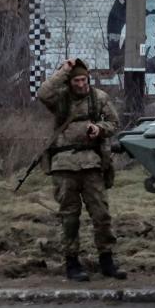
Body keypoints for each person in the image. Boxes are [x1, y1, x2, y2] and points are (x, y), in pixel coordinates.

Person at [36, 59, 126, 282]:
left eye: (84, 79)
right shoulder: (60, 99)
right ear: (70, 81)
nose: (81, 84)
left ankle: (107, 260)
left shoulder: (99, 98)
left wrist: (99, 128)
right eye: (76, 80)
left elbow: (114, 123)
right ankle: (72, 263)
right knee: (70, 217)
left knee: (102, 215)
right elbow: (42, 93)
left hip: (92, 165)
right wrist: (63, 71)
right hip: (64, 166)